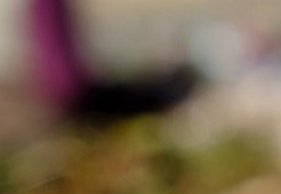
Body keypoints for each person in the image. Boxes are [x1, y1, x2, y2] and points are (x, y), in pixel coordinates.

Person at [28, 0, 194, 119]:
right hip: (75, 92)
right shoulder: (49, 5)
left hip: (69, 92)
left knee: (144, 94)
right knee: (150, 96)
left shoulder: (43, 6)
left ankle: (171, 92)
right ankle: (173, 93)